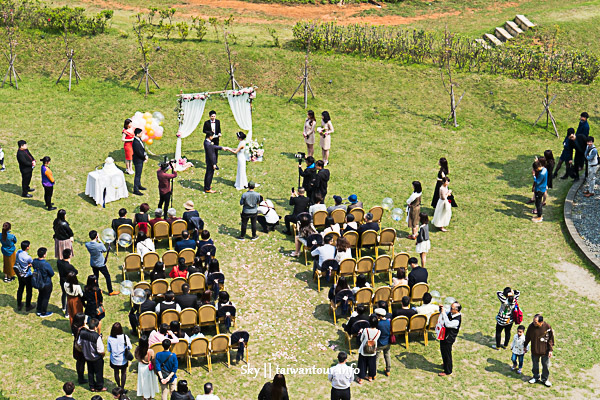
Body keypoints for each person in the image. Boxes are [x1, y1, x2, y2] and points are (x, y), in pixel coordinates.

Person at [524, 314, 554, 387]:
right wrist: (525, 346)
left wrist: (550, 350)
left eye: (536, 322)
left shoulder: (547, 327)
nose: (534, 323)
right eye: (534, 321)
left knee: (545, 366)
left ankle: (545, 379)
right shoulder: (531, 327)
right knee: (535, 365)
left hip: (545, 351)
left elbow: (550, 339)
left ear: (541, 322)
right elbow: (527, 337)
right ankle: (535, 377)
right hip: (535, 350)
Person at [77, 318, 107, 392]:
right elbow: (100, 350)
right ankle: (99, 387)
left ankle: (92, 386)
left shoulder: (82, 333)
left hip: (87, 356)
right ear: (96, 327)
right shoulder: (96, 337)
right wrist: (103, 355)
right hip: (96, 358)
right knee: (98, 373)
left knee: (90, 372)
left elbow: (79, 343)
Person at [85, 230, 118, 295]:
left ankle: (97, 290)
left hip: (93, 263)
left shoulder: (87, 244)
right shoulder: (99, 245)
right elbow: (104, 250)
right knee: (107, 276)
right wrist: (100, 241)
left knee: (96, 277)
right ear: (96, 236)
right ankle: (110, 291)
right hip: (100, 264)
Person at [438, 302, 462, 377]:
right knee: (443, 351)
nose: (450, 309)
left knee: (447, 353)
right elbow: (445, 312)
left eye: (452, 308)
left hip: (448, 339)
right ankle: (446, 363)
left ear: (456, 310)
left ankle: (448, 370)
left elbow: (448, 324)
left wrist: (443, 313)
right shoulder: (451, 313)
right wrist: (442, 309)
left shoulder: (456, 320)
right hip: (444, 336)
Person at [107, 322, 132, 389]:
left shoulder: (110, 338)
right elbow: (130, 347)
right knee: (123, 373)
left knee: (116, 373)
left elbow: (109, 349)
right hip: (123, 359)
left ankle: (119, 386)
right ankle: (122, 388)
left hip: (114, 360)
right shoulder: (124, 337)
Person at [357, 315, 380, 384]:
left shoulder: (365, 330)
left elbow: (361, 339)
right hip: (373, 350)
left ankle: (360, 378)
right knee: (372, 364)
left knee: (362, 364)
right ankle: (370, 377)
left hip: (364, 349)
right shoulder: (378, 332)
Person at [136, 335, 160, 400]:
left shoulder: (137, 350)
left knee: (143, 382)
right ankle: (150, 397)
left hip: (141, 367)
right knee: (150, 383)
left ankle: (144, 396)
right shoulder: (150, 351)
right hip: (148, 368)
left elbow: (136, 357)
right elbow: (153, 360)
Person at [32, 247, 54, 317]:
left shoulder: (34, 261)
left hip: (38, 282)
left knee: (40, 295)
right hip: (46, 283)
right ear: (44, 255)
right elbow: (52, 273)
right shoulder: (45, 264)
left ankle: (38, 310)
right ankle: (43, 312)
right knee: (45, 298)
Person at [15, 240, 34, 311]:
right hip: (27, 275)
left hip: (20, 274)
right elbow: (32, 264)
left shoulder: (18, 252)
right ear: (27, 247)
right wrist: (29, 265)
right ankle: (28, 305)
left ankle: (19, 304)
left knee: (20, 289)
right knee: (29, 291)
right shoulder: (27, 257)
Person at [57, 249, 77, 315]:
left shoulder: (59, 262)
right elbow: (76, 272)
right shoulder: (69, 266)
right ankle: (67, 313)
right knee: (69, 297)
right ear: (69, 256)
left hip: (62, 281)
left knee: (64, 293)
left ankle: (63, 307)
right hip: (68, 282)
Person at [71, 312, 88, 384]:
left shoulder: (74, 326)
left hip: (76, 346)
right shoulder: (82, 330)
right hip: (81, 348)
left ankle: (80, 377)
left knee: (79, 362)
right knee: (82, 363)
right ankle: (81, 379)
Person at [375, 308, 391, 376]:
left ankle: (374, 372)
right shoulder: (388, 321)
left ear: (380, 316)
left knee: (376, 358)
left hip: (380, 343)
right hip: (387, 342)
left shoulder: (379, 324)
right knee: (387, 355)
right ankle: (388, 370)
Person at [132, 128, 148, 196]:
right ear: (137, 134)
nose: (142, 134)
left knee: (139, 173)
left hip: (140, 159)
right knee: (137, 175)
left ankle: (138, 185)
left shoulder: (139, 140)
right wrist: (144, 158)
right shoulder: (135, 142)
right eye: (141, 133)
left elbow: (142, 149)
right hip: (138, 160)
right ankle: (136, 189)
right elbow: (138, 152)